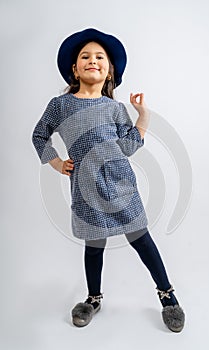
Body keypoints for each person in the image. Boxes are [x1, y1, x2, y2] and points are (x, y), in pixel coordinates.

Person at [32, 28, 185, 332]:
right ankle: (93, 298)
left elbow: (128, 147)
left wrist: (142, 116)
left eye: (100, 57)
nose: (93, 60)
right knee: (94, 245)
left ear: (110, 71)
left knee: (142, 240)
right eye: (85, 56)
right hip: (86, 191)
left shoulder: (115, 109)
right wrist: (57, 163)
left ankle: (168, 296)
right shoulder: (60, 106)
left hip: (122, 188)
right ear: (74, 68)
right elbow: (39, 135)